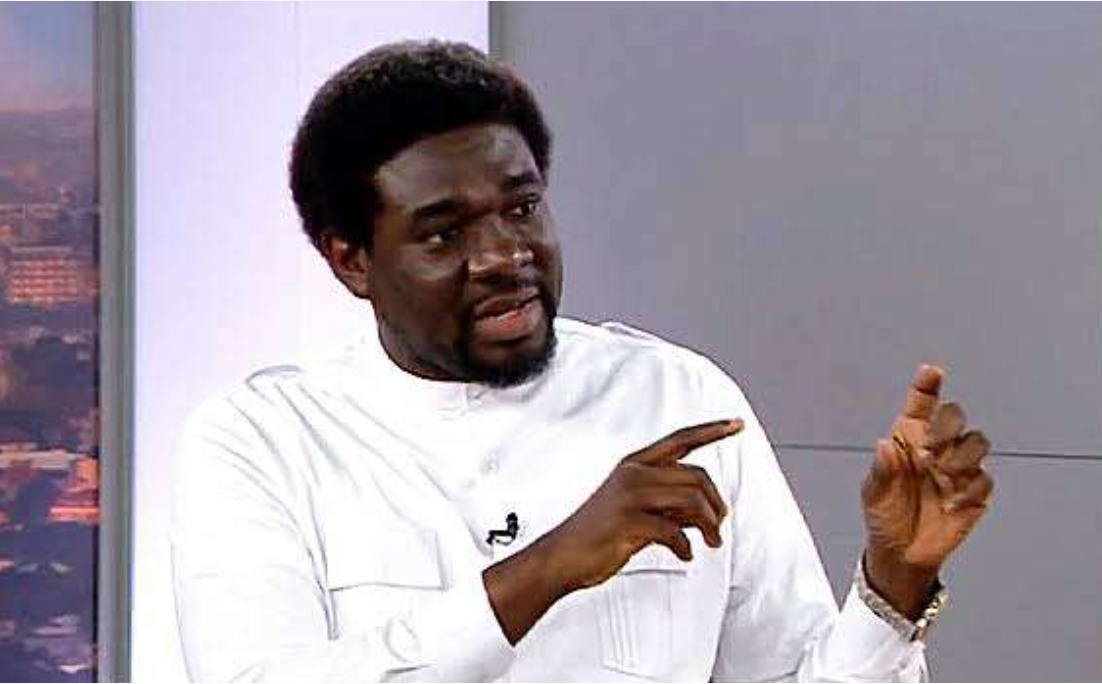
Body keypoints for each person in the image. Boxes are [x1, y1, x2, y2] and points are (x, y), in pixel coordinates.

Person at [171, 41, 994, 682]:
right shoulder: (261, 441)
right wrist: (546, 569)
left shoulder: (678, 400)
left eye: (522, 207)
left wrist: (894, 582)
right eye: (445, 234)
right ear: (351, 260)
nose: (505, 255)